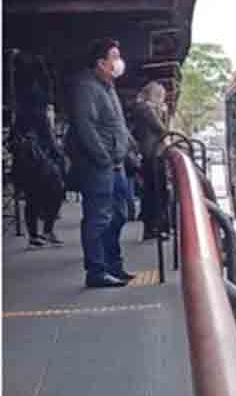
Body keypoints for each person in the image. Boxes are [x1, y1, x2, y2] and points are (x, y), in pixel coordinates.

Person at [67, 38, 134, 288]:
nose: (119, 62)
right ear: (101, 63)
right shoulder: (86, 87)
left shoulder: (108, 86)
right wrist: (104, 157)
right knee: (98, 218)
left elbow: (117, 123)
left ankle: (113, 264)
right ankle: (96, 271)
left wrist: (129, 149)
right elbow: (86, 127)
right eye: (114, 57)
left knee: (119, 213)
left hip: (116, 164)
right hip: (99, 165)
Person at [11, 55, 67, 248]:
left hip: (29, 155)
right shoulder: (36, 99)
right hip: (39, 152)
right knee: (54, 190)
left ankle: (36, 234)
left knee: (34, 196)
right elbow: (43, 128)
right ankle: (45, 230)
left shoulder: (22, 100)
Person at [130, 81, 169, 240]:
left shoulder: (142, 108)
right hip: (152, 153)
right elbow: (161, 129)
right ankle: (154, 226)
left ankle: (155, 225)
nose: (162, 99)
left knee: (154, 191)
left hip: (151, 153)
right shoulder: (145, 109)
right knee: (156, 192)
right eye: (160, 95)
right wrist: (162, 113)